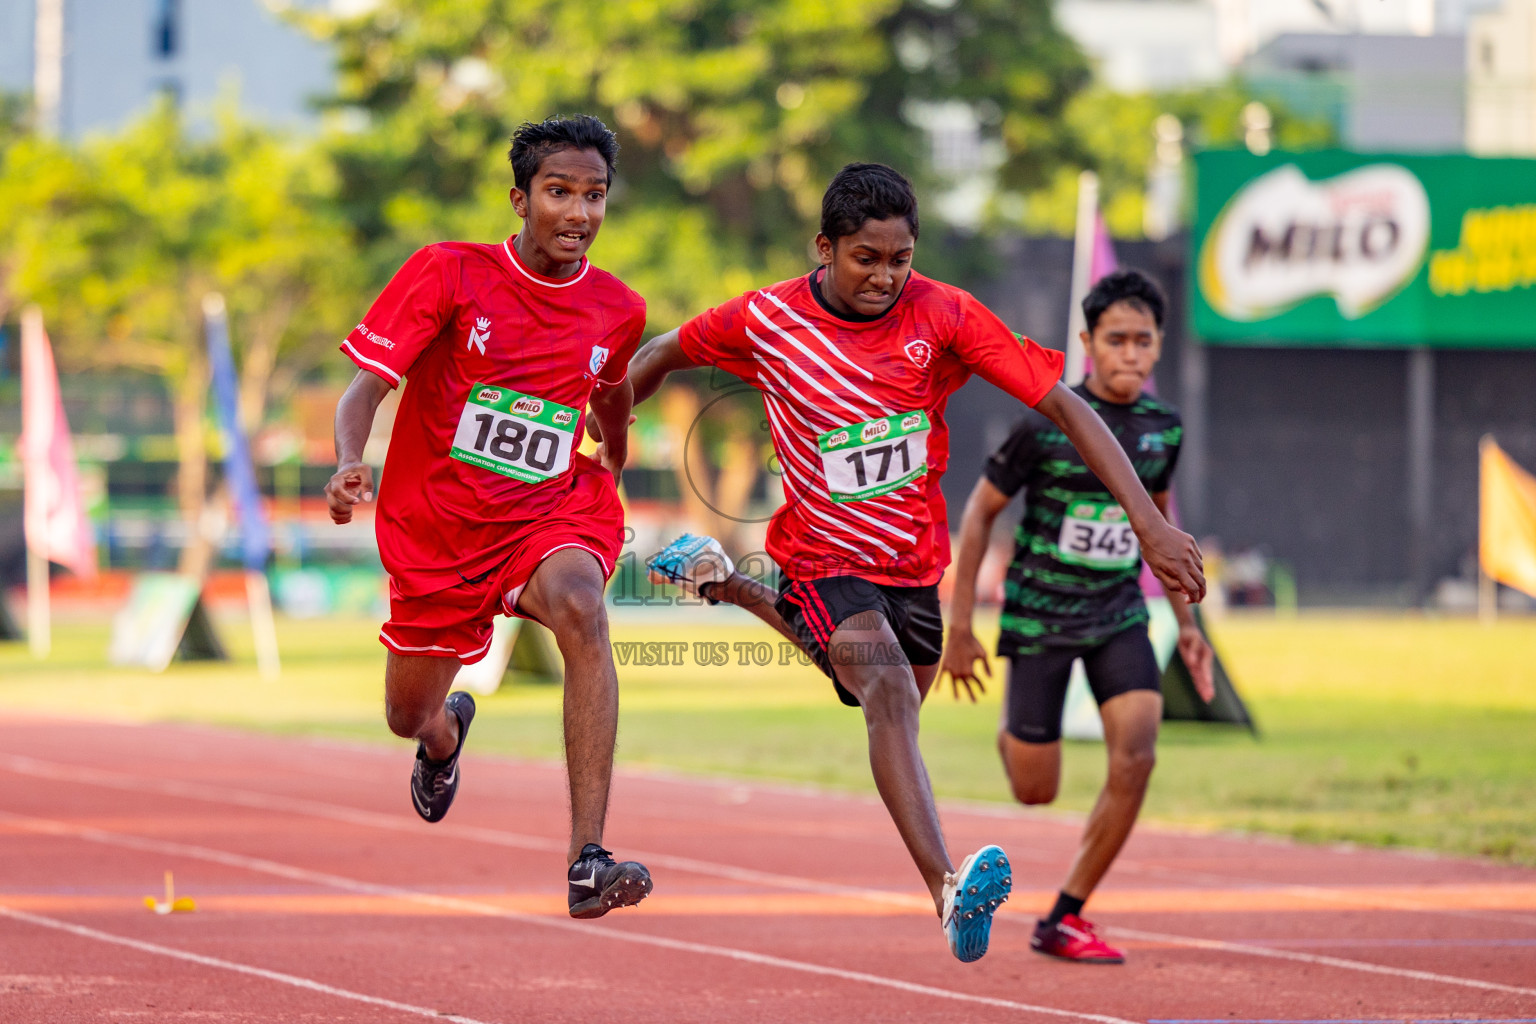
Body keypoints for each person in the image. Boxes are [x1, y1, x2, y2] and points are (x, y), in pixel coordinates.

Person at [623, 164, 1205, 963]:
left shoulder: (946, 314)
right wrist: (604, 440)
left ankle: (722, 580)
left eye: (900, 258)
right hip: (822, 558)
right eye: (866, 257)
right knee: (886, 691)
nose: (885, 276)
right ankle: (947, 888)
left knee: (877, 688)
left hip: (911, 566)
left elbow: (1066, 405)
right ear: (823, 248)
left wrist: (1148, 523)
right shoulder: (766, 319)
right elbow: (658, 353)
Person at [324, 114, 652, 920]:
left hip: (548, 511)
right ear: (520, 198)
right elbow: (366, 387)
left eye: (595, 195)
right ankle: (443, 738)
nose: (579, 213)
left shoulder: (618, 307)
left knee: (582, 606)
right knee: (407, 715)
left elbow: (609, 387)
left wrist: (613, 447)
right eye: (560, 192)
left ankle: (587, 859)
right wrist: (346, 460)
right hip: (438, 529)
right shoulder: (447, 273)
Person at [941, 268, 1216, 964]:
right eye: (1115, 340)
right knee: (1036, 790)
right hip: (1038, 618)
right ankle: (1016, 729)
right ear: (1088, 342)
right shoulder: (1044, 420)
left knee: (1139, 753)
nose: (1130, 353)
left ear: (1158, 348)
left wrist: (1186, 625)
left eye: (1143, 342)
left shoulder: (1164, 429)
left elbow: (1157, 519)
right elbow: (978, 514)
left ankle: (1065, 914)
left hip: (1119, 611)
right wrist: (964, 624)